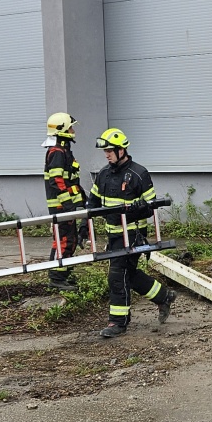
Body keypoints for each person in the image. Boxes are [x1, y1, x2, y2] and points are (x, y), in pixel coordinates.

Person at [87, 128, 175, 339]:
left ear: (121, 150)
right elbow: (93, 203)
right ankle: (164, 296)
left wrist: (139, 208)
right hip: (114, 236)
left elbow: (151, 207)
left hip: (133, 235)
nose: (106, 155)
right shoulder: (103, 174)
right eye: (105, 151)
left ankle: (118, 323)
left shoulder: (139, 174)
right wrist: (83, 226)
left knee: (117, 276)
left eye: (110, 150)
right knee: (129, 274)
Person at [43, 112, 84, 291]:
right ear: (63, 130)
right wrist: (67, 204)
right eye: (71, 128)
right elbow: (57, 180)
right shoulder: (57, 152)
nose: (73, 131)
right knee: (63, 240)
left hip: (66, 206)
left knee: (71, 240)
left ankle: (64, 274)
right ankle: (56, 278)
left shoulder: (63, 150)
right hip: (61, 207)